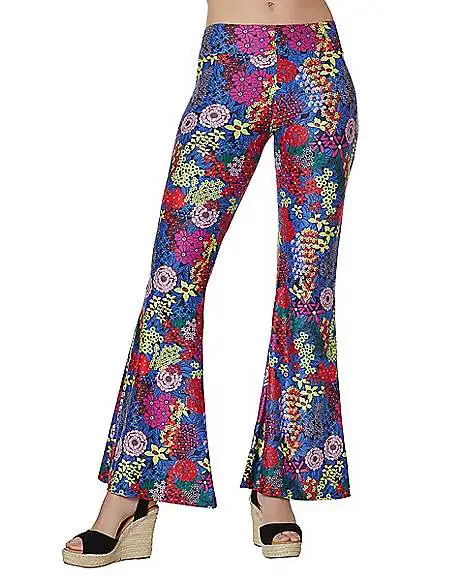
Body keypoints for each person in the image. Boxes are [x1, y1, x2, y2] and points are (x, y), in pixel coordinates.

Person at [63, 0, 358, 566]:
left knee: (307, 288)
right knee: (173, 281)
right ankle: (131, 491)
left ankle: (277, 482)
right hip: (229, 63)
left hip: (318, 66)